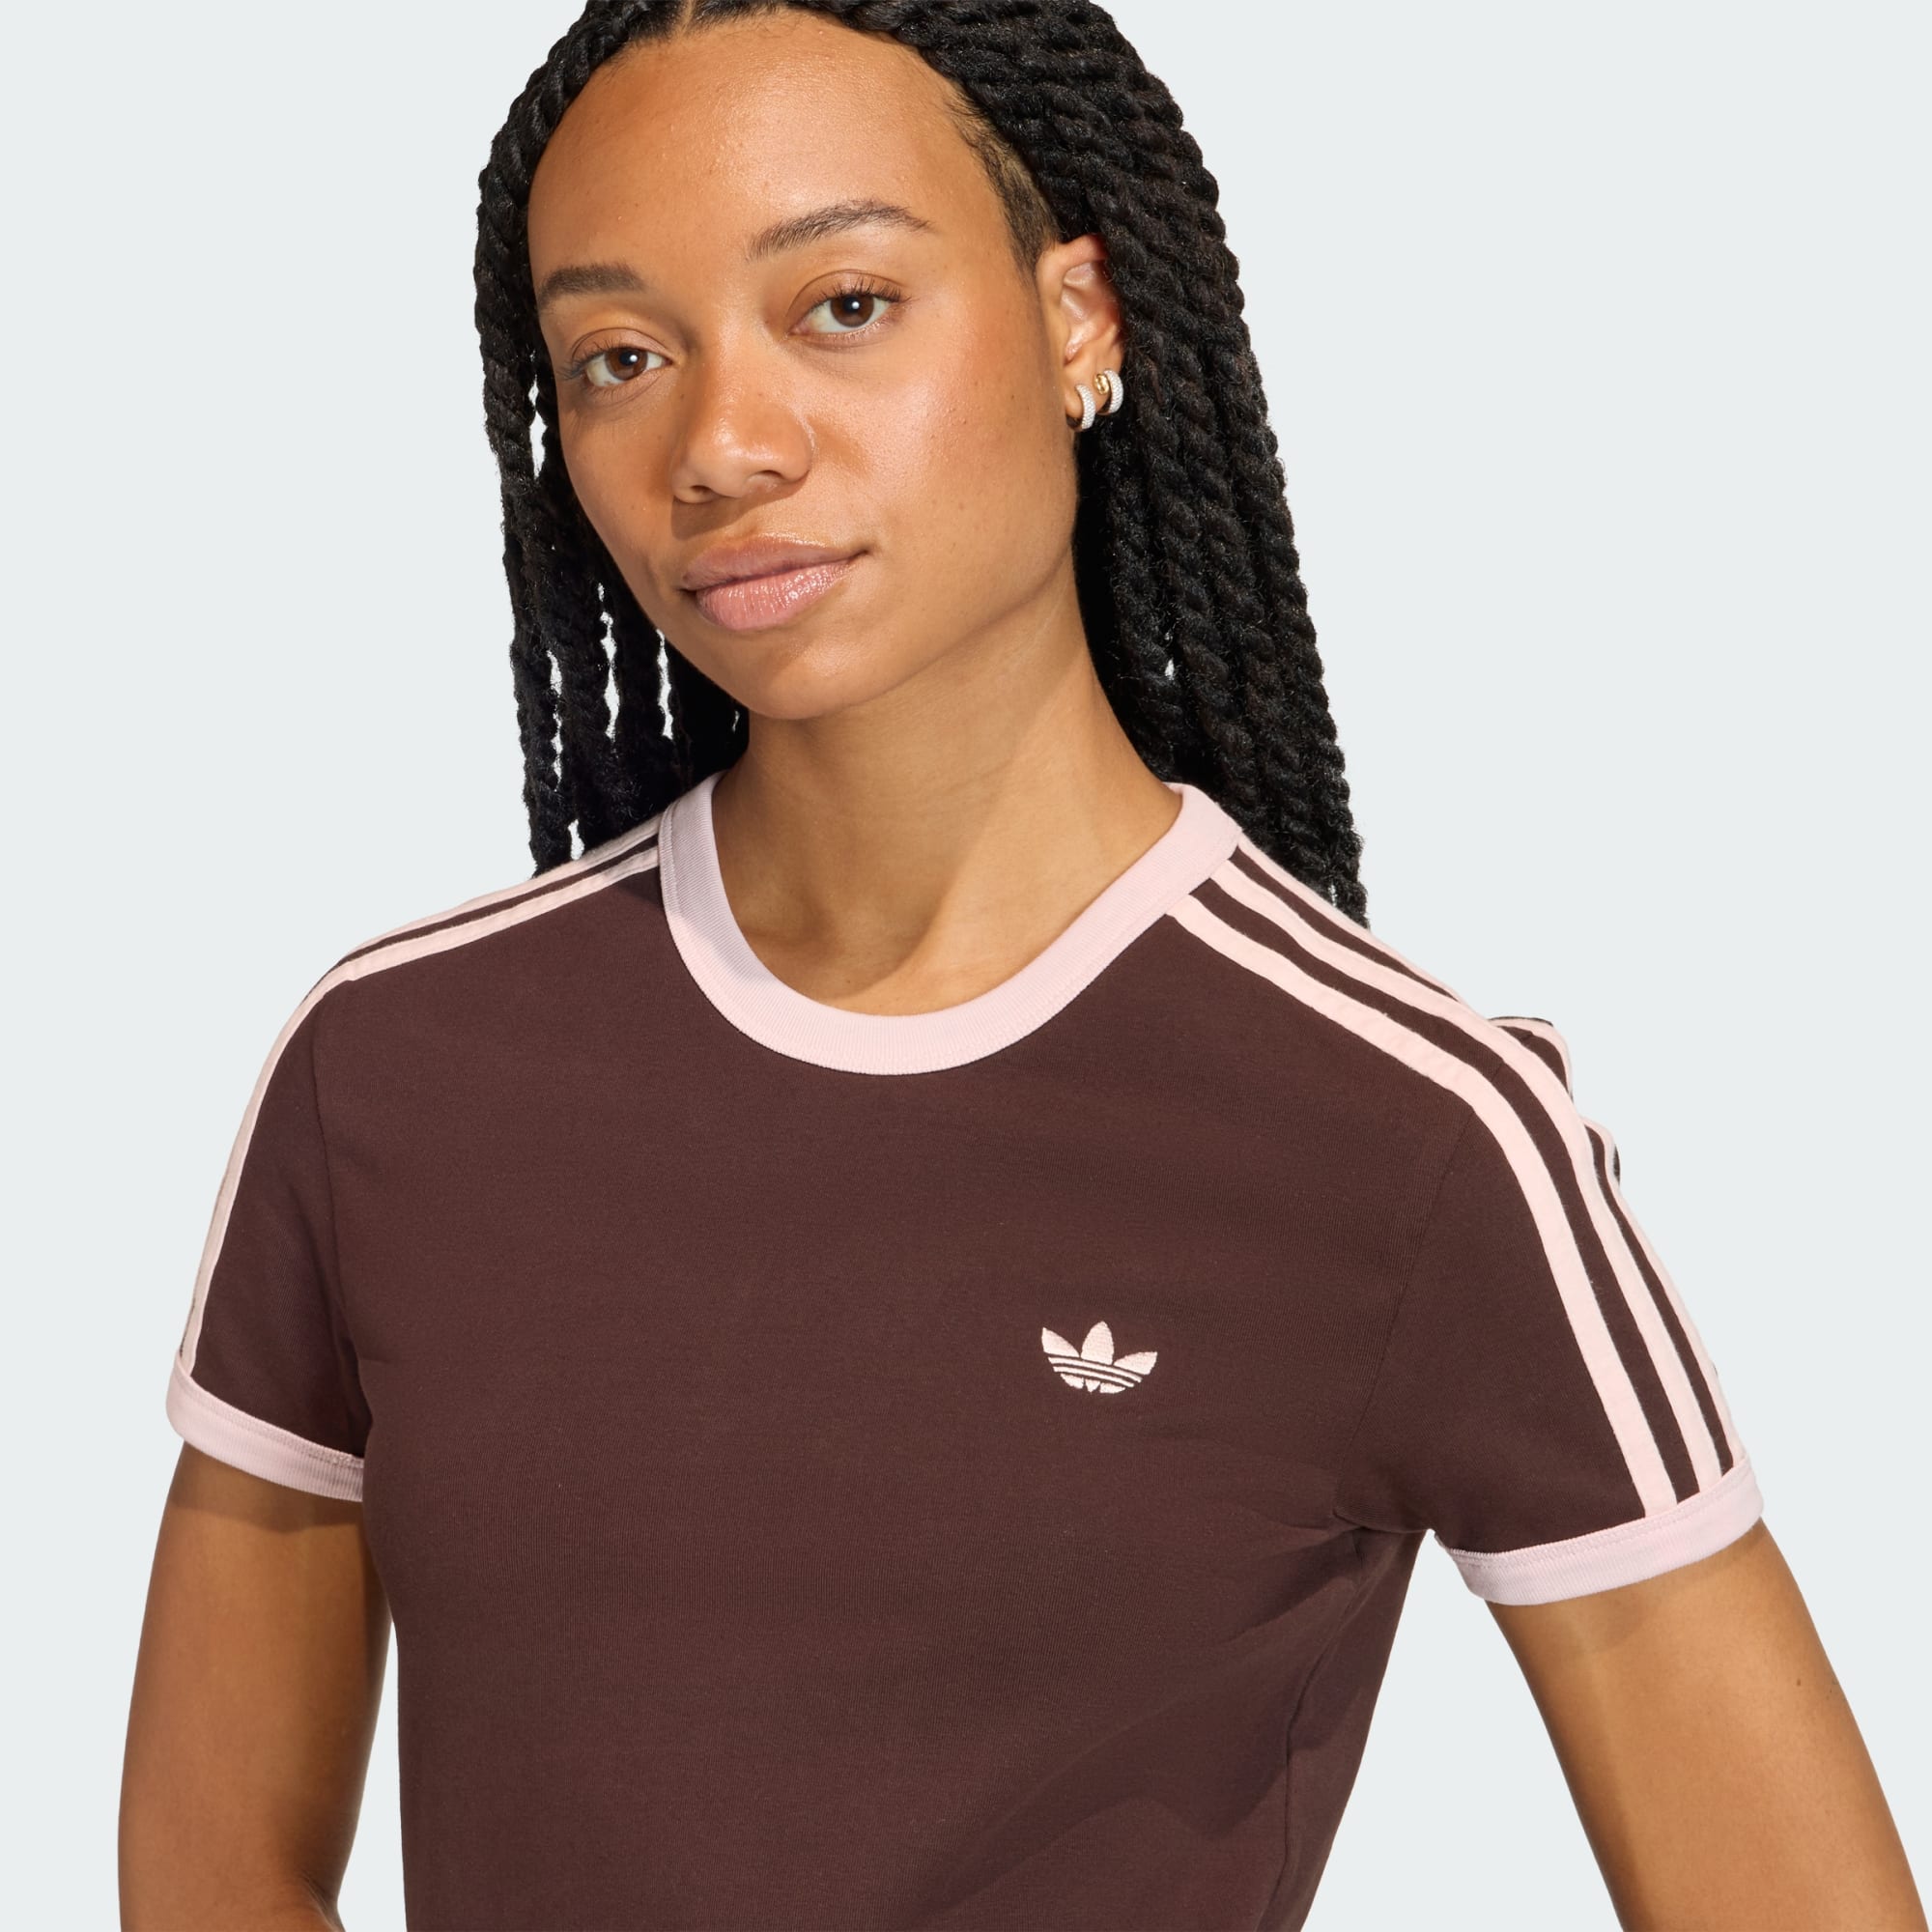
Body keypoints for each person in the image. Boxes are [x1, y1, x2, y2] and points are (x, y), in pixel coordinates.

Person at [119, 3, 1925, 1928]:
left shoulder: (1409, 1135)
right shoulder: (398, 1070)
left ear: (1081, 317)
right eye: (622, 357)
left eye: (843, 305)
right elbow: (213, 1866)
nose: (721, 445)